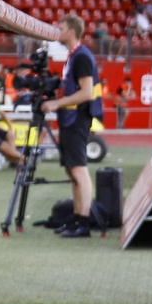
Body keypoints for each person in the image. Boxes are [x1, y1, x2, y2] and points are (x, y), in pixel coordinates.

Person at [41, 14, 99, 239]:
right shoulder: (74, 56)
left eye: (61, 27)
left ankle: (83, 221)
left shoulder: (82, 56)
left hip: (77, 120)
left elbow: (87, 92)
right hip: (70, 119)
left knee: (78, 169)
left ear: (72, 31)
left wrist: (57, 103)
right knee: (71, 169)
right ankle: (77, 217)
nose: (57, 30)